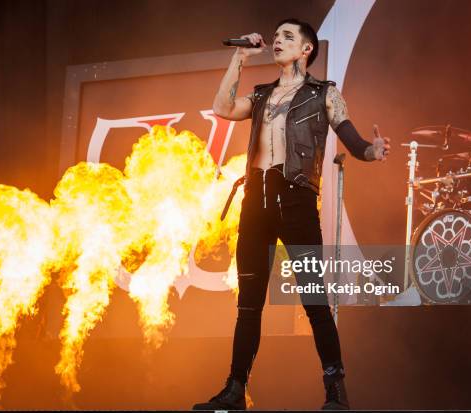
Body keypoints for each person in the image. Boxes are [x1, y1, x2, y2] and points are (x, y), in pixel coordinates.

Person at [192, 18, 390, 411]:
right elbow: (221, 108)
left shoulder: (324, 93)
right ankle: (235, 388)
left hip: (296, 202)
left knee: (314, 299)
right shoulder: (262, 95)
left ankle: (335, 389)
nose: (278, 41)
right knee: (248, 304)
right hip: (255, 203)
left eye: (287, 36)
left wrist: (372, 150)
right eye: (276, 35)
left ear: (306, 50)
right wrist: (240, 56)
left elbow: (350, 138)